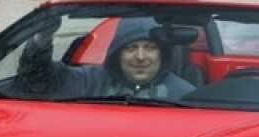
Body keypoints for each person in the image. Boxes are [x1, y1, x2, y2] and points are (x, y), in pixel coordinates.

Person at [18, 15, 194, 100]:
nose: (140, 57)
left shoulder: (185, 95)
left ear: (161, 54)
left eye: (149, 48)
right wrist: (42, 39)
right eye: (131, 48)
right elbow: (36, 81)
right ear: (117, 53)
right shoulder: (88, 81)